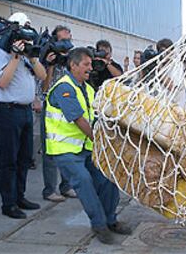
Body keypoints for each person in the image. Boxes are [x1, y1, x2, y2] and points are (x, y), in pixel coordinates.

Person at [45, 47, 131, 244]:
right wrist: (99, 140)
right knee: (84, 182)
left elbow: (98, 117)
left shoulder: (88, 89)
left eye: (91, 64)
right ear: (73, 65)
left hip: (85, 148)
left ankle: (111, 220)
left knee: (107, 178)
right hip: (65, 150)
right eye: (86, 64)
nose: (90, 68)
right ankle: (99, 225)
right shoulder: (64, 88)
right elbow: (79, 120)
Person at [0, 12, 47, 219]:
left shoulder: (27, 53)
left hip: (25, 111)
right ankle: (8, 203)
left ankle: (20, 196)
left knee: (24, 158)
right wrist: (14, 56)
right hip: (7, 111)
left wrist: (31, 56)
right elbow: (2, 83)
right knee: (8, 159)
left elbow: (42, 75)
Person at [40, 25, 76, 202]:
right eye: (62, 41)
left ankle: (67, 186)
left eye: (68, 40)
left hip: (67, 108)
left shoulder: (70, 60)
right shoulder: (48, 59)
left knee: (68, 148)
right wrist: (50, 65)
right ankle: (49, 190)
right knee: (51, 152)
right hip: (51, 110)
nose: (66, 44)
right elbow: (43, 88)